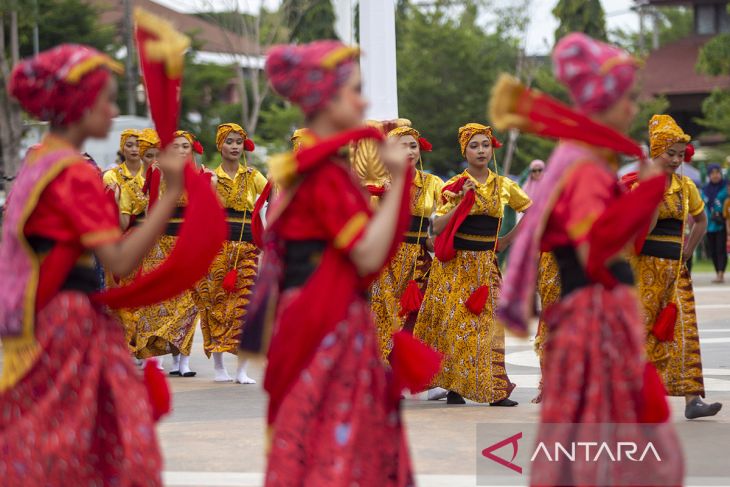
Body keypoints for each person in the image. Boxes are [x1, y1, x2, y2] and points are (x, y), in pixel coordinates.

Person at [493, 33, 683, 486]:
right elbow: (594, 251)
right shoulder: (583, 168)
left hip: (593, 313)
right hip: (594, 315)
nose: (633, 110)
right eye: (627, 99)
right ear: (604, 100)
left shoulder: (582, 159)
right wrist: (650, 192)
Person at [0, 43, 189, 486]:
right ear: (78, 105)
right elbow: (120, 257)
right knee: (92, 440)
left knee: (44, 430)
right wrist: (172, 193)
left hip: (40, 317)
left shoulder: (36, 165)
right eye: (105, 97)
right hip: (71, 322)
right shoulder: (74, 173)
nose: (113, 108)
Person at [246, 40, 424, 486]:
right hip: (327, 323)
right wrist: (401, 180)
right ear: (326, 98)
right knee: (334, 437)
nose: (364, 103)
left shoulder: (314, 169)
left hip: (320, 316)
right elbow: (367, 254)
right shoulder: (325, 175)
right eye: (355, 91)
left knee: (321, 432)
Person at [414, 122, 531, 406]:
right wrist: (460, 201)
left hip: (485, 265)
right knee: (455, 327)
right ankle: (455, 388)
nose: (481, 150)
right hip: (454, 268)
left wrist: (506, 240)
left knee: (490, 326)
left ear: (492, 149)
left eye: (485, 145)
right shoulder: (453, 185)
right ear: (464, 151)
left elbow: (532, 209)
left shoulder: (504, 185)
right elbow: (437, 227)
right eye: (474, 146)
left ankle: (494, 391)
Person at [632, 114, 722, 419]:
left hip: (675, 271)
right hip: (644, 271)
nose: (675, 160)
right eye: (669, 153)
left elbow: (702, 220)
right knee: (642, 333)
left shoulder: (686, 187)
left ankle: (692, 399)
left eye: (679, 155)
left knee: (683, 333)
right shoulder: (641, 186)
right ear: (656, 152)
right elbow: (638, 232)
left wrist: (688, 250)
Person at [194, 122, 267, 383]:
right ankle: (218, 365)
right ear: (220, 145)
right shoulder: (211, 176)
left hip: (248, 247)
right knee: (216, 304)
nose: (235, 146)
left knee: (246, 305)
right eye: (230, 141)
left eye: (238, 142)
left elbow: (274, 194)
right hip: (218, 247)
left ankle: (242, 370)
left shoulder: (254, 176)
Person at [133, 129, 203, 377]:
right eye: (176, 146)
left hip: (186, 241)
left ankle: (182, 361)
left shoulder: (200, 175)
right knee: (157, 300)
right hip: (160, 241)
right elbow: (151, 207)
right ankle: (153, 356)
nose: (182, 151)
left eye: (186, 146)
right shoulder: (157, 170)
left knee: (189, 303)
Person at [371, 126, 443, 361]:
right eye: (403, 146)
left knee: (423, 314)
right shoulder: (380, 186)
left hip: (420, 260)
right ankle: (383, 371)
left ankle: (426, 376)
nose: (411, 151)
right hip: (387, 260)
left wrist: (435, 242)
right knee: (385, 316)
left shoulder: (432, 183)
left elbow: (447, 211)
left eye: (414, 146)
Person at [103, 128, 145, 231]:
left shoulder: (151, 173)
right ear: (122, 148)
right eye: (129, 145)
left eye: (138, 145)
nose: (134, 149)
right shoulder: (111, 175)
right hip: (120, 231)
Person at [702, 163, 727, 283]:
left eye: (717, 172)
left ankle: (721, 274)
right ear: (709, 175)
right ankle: (717, 272)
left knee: (721, 249)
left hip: (721, 223)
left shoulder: (726, 187)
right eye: (712, 173)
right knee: (712, 251)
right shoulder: (705, 190)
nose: (715, 175)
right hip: (709, 225)